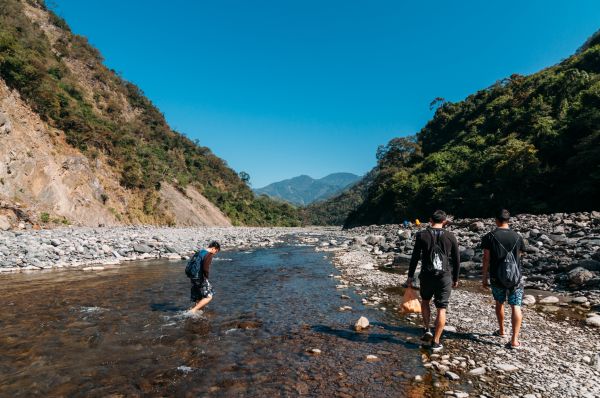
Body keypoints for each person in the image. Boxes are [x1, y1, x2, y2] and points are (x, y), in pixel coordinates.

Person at [407, 210, 460, 352]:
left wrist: (410, 276)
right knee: (441, 308)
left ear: (430, 220)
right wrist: (455, 278)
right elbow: (456, 259)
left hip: (426, 275)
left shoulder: (421, 235)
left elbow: (415, 257)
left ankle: (426, 329)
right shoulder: (451, 236)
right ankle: (436, 342)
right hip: (444, 276)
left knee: (425, 301)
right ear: (444, 221)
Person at [481, 209, 526, 349]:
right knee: (516, 305)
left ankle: (501, 331)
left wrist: (484, 277)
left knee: (499, 303)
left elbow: (486, 258)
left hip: (497, 276)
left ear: (496, 220)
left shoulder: (489, 236)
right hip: (515, 277)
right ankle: (514, 340)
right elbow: (520, 255)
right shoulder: (518, 237)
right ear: (509, 220)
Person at [189, 241, 221, 314]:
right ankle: (193, 310)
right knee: (209, 296)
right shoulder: (209, 255)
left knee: (198, 296)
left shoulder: (200, 252)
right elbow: (205, 268)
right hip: (200, 277)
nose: (215, 253)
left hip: (193, 276)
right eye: (216, 251)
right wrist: (206, 277)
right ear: (213, 248)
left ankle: (197, 311)